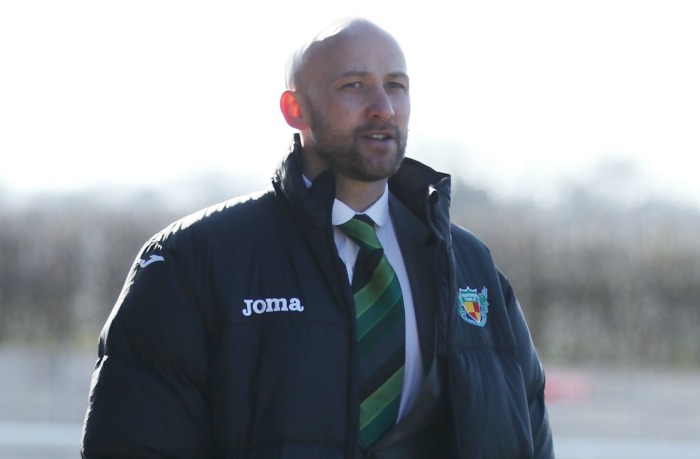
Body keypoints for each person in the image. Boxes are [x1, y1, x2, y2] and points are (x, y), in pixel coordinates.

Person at [81, 17, 554, 459]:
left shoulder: (469, 264)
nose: (382, 108)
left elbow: (529, 431)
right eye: (354, 86)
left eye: (396, 86)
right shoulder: (192, 261)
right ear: (294, 109)